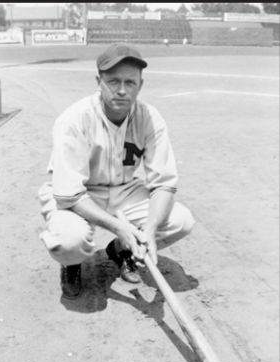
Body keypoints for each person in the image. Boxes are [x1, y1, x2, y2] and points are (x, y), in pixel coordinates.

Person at [38, 43, 195, 299]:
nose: (122, 90)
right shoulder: (75, 119)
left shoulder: (150, 118)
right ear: (99, 81)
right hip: (81, 196)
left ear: (140, 85)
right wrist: (120, 227)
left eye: (130, 83)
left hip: (126, 191)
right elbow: (68, 195)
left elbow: (164, 185)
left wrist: (150, 232)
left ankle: (121, 250)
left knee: (181, 221)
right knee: (68, 241)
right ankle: (72, 263)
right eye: (113, 81)